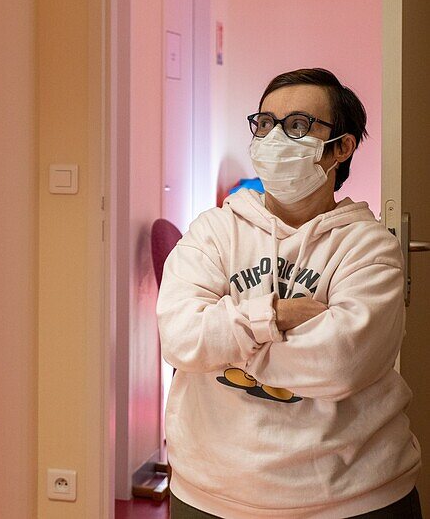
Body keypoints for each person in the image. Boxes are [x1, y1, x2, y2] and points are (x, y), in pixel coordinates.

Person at [157, 68, 422, 518]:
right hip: (209, 495)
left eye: (298, 125)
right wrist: (274, 317)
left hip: (354, 498)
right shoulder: (214, 232)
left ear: (341, 148)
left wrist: (224, 344)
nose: (275, 137)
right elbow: (181, 338)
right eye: (264, 124)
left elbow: (341, 362)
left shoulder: (368, 247)